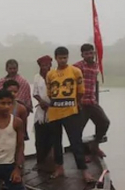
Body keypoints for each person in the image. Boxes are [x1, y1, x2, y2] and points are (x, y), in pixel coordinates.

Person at [46, 47, 94, 182]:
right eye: (60, 58)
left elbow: (80, 91)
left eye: (65, 57)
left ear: (68, 57)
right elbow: (50, 93)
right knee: (56, 142)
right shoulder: (50, 74)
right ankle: (59, 167)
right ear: (56, 58)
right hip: (54, 112)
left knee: (75, 141)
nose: (63, 60)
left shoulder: (75, 71)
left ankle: (84, 171)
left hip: (71, 112)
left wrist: (76, 103)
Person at [74, 43, 110, 158]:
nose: (89, 55)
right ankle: (81, 154)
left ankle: (95, 145)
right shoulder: (77, 67)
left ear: (94, 53)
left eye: (91, 53)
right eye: (86, 54)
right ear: (82, 55)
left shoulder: (96, 66)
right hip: (81, 103)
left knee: (104, 122)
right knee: (77, 130)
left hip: (92, 101)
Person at [32, 55, 53, 166]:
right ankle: (40, 161)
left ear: (50, 65)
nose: (45, 67)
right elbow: (35, 93)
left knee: (52, 137)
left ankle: (50, 161)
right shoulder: (37, 77)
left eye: (47, 65)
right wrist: (41, 102)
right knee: (40, 137)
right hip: (41, 110)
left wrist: (50, 103)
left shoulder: (54, 75)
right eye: (43, 65)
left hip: (53, 110)